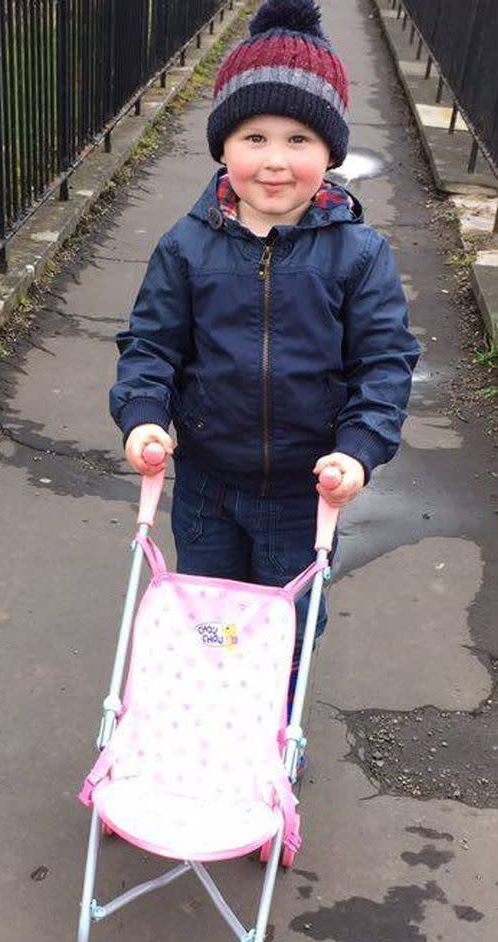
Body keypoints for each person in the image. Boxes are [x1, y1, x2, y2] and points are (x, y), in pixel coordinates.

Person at [109, 0, 420, 719]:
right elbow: (151, 345)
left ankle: (269, 730)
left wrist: (357, 451)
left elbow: (383, 364)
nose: (274, 160)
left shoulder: (358, 255)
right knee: (210, 615)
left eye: (298, 138)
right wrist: (144, 418)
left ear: (330, 153)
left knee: (286, 620)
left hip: (303, 492)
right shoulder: (186, 248)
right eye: (253, 136)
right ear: (223, 146)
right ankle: (213, 723)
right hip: (207, 483)